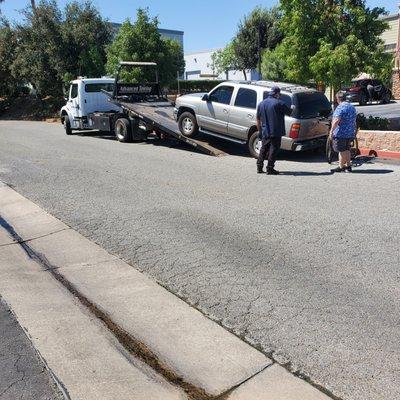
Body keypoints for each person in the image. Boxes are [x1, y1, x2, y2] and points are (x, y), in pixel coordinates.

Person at [256, 87, 293, 175]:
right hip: (276, 131)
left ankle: (259, 167)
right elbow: (290, 113)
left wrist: (260, 131)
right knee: (273, 149)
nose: (279, 96)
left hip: (265, 131)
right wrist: (293, 107)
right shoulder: (280, 103)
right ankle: (270, 168)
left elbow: (257, 119)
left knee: (263, 149)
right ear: (276, 94)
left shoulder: (261, 104)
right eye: (279, 94)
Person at [329, 91, 357, 173]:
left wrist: (331, 131)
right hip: (349, 132)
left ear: (338, 99)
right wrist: (354, 130)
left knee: (341, 150)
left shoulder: (340, 107)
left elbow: (336, 120)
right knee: (347, 149)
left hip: (341, 133)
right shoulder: (351, 107)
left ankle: (341, 167)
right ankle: (348, 166)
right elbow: (354, 120)